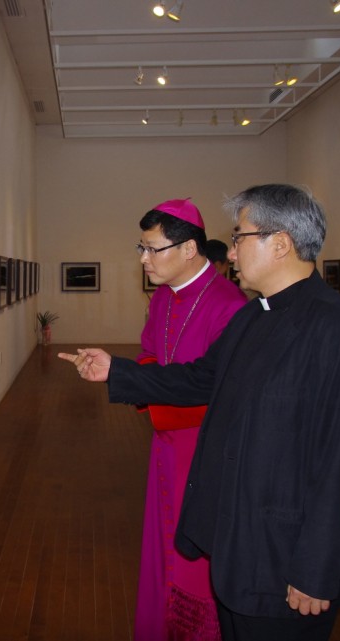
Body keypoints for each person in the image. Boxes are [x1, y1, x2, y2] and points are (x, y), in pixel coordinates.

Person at [59, 184, 340, 641]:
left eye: (238, 238)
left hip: (288, 560)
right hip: (241, 547)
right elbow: (199, 379)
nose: (230, 254)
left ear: (280, 243)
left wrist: (317, 569)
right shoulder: (253, 317)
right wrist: (117, 371)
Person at [135, 199, 246, 640]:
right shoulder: (163, 297)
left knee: (194, 560)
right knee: (161, 549)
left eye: (152, 249)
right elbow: (148, 352)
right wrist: (137, 381)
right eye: (141, 248)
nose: (144, 259)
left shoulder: (229, 304)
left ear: (188, 249)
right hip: (165, 446)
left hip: (204, 451)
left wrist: (145, 392)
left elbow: (224, 392)